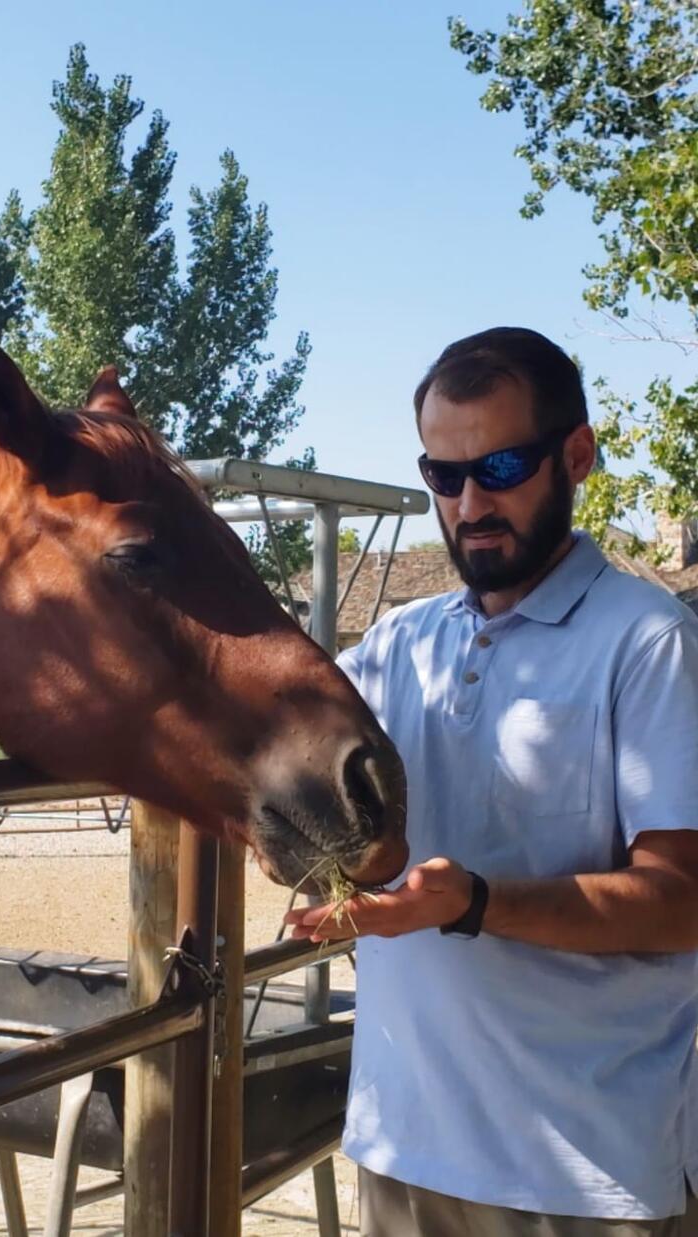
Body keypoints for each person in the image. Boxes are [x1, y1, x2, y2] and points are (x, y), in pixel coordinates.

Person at [286, 327, 698, 1236]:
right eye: (443, 475)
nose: (469, 503)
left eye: (501, 467)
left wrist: (473, 901)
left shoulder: (650, 641)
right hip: (402, 1148)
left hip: (587, 1177)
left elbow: (682, 901)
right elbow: (295, 777)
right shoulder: (396, 645)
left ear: (577, 455)